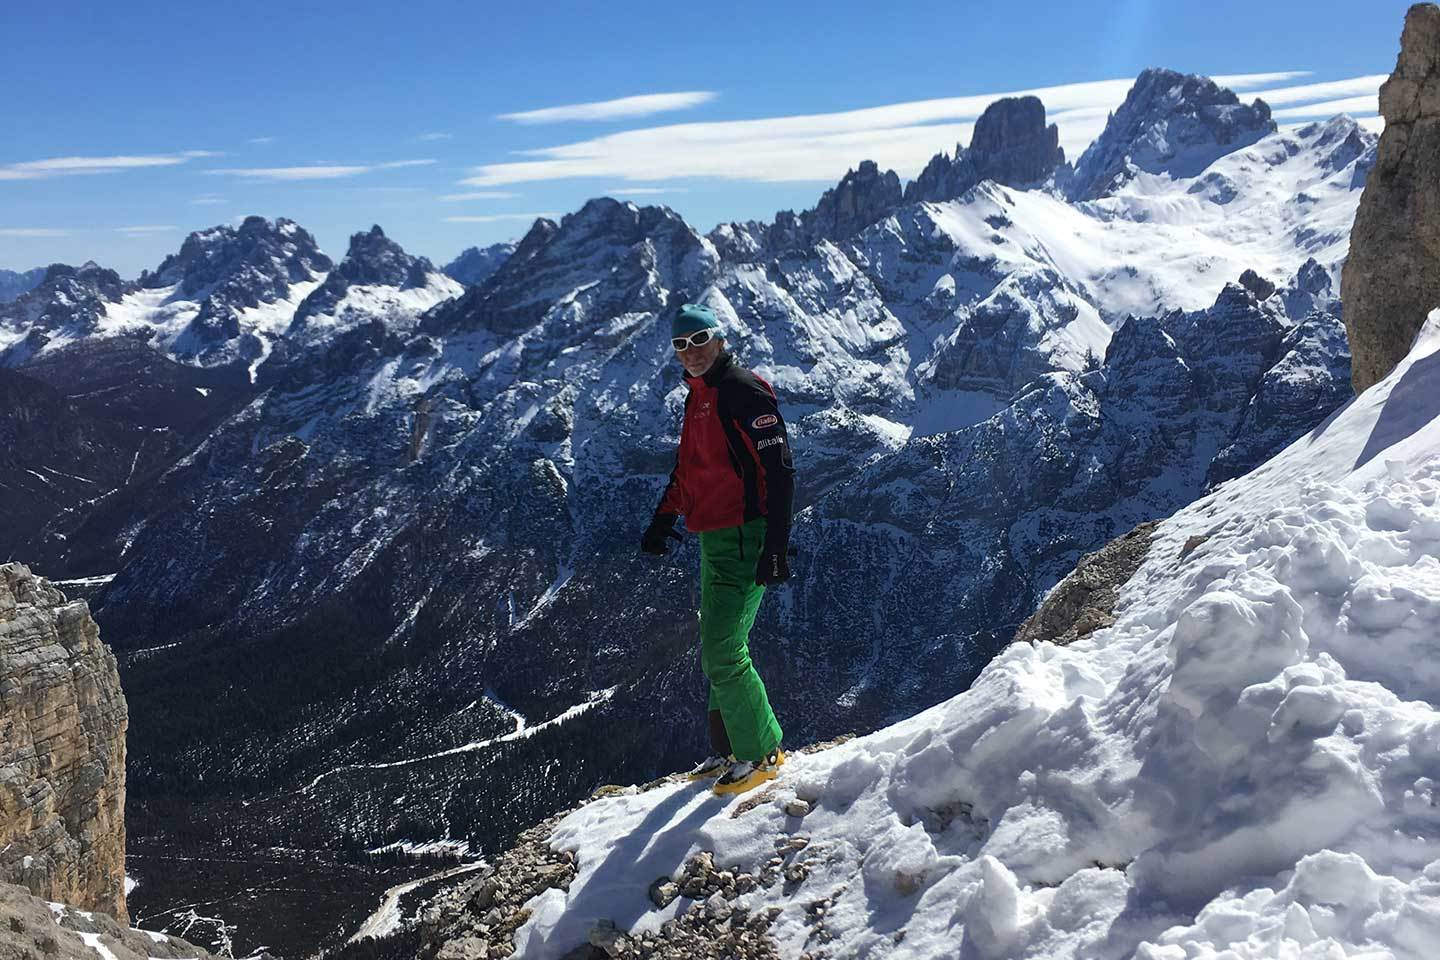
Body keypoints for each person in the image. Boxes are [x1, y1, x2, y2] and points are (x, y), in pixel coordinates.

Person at [641, 302, 795, 796]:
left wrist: (776, 544)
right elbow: (690, 470)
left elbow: (780, 472)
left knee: (726, 649)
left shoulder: (743, 391)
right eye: (680, 345)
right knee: (715, 642)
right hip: (715, 536)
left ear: (721, 338)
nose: (691, 353)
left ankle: (762, 751)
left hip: (746, 535)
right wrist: (664, 518)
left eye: (699, 339)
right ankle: (729, 746)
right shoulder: (698, 397)